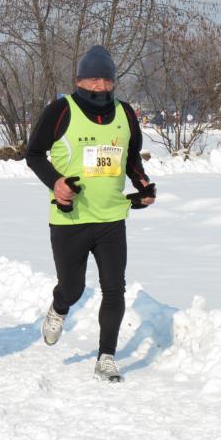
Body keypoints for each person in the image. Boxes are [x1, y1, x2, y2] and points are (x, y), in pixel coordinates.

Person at [25, 46, 156, 382]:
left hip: (112, 218)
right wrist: (56, 183)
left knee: (115, 289)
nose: (100, 86)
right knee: (73, 288)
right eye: (93, 79)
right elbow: (34, 153)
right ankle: (59, 307)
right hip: (70, 220)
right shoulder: (60, 110)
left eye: (106, 79)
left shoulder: (125, 114)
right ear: (79, 79)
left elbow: (129, 158)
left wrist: (141, 183)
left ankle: (106, 357)